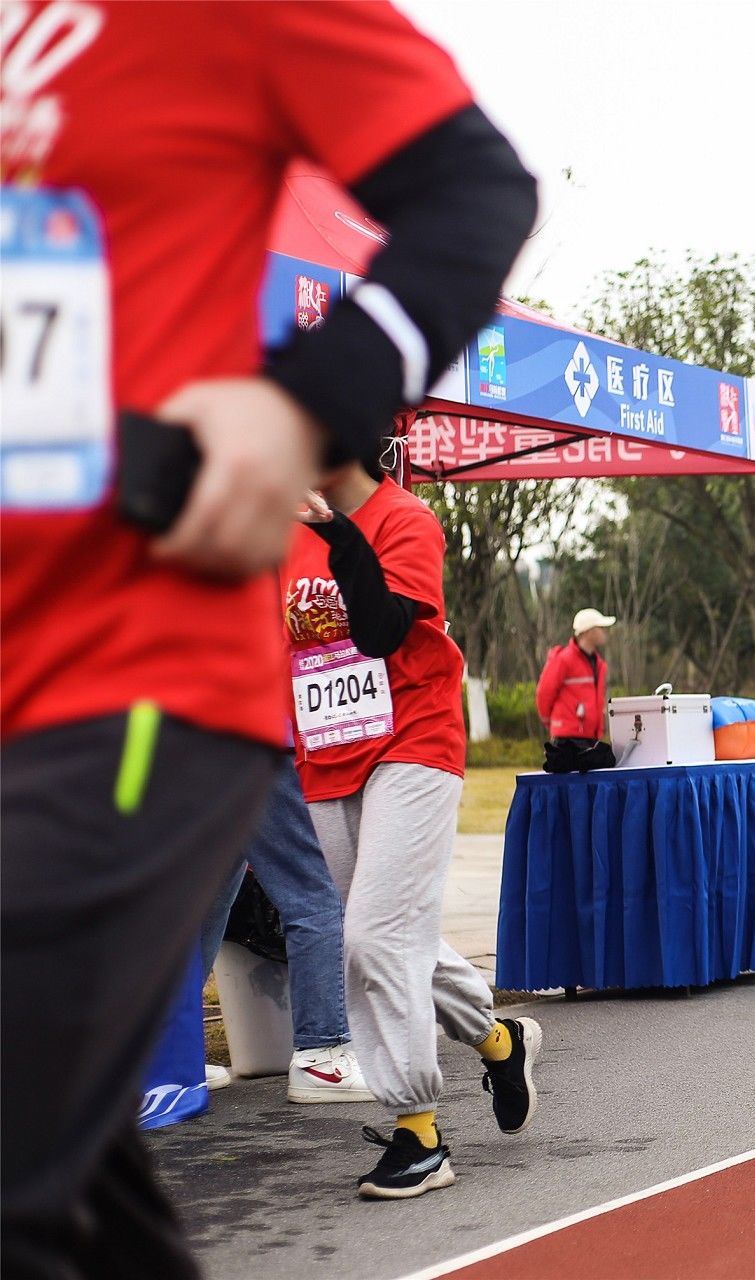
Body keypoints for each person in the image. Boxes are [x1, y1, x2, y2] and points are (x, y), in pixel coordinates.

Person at [0, 2, 535, 1271]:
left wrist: (301, 408)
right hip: (127, 709)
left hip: (139, 673)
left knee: (362, 939)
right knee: (68, 1189)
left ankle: (417, 1112)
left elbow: (476, 190)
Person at [288, 456, 541, 1200]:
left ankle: (419, 1132)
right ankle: (501, 1040)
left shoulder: (406, 520)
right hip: (327, 756)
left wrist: (341, 537)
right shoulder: (278, 533)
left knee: (371, 937)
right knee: (396, 936)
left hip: (413, 744)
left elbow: (381, 629)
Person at [195, 751, 374, 1104]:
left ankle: (167, 1056)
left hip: (199, 738)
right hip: (261, 738)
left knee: (206, 897)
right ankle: (323, 1056)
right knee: (315, 891)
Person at [537, 608, 616, 740]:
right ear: (588, 632)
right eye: (601, 628)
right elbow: (544, 693)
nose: (605, 632)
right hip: (566, 739)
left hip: (590, 737)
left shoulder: (599, 664)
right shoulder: (563, 659)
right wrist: (552, 723)